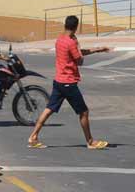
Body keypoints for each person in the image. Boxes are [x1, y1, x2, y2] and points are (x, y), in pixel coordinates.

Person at [28, 15, 110, 149]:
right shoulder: (72, 42)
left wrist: (97, 49)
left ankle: (33, 137)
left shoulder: (60, 39)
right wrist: (77, 44)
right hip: (68, 83)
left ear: (65, 25)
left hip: (59, 81)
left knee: (49, 109)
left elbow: (76, 54)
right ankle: (90, 142)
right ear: (76, 27)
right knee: (83, 112)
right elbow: (80, 60)